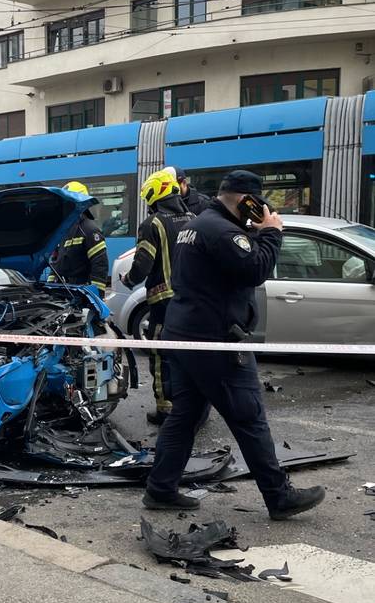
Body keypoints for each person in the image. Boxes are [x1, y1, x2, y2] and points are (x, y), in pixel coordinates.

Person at [142, 169, 325, 520]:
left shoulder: (200, 224)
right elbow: (255, 269)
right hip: (215, 343)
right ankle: (279, 496)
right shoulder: (222, 230)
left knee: (184, 416)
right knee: (249, 417)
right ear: (247, 200)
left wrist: (252, 231)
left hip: (184, 338)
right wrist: (271, 233)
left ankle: (160, 489)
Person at [121, 170, 195, 426]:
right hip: (194, 302)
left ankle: (166, 410)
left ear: (155, 196)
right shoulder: (193, 218)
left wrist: (128, 280)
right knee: (190, 354)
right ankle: (193, 407)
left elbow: (142, 265)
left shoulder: (153, 223)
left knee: (160, 354)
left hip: (164, 303)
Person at [50, 181, 108, 294]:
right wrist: (50, 287)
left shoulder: (89, 230)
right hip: (67, 290)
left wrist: (96, 294)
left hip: (82, 290)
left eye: (68, 203)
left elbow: (100, 264)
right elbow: (56, 262)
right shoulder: (64, 230)